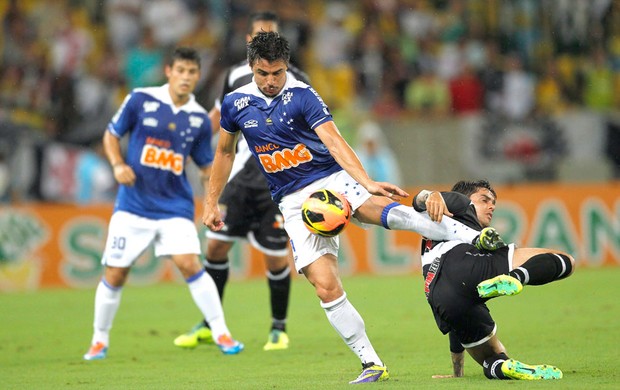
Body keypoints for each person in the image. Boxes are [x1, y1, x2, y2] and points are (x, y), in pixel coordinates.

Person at [203, 31, 503, 384]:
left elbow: (333, 139)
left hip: (329, 178)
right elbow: (224, 153)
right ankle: (371, 363)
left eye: (278, 73)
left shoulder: (302, 96)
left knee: (378, 210)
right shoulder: (236, 103)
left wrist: (365, 181)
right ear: (251, 68)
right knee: (325, 286)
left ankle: (477, 239)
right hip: (292, 200)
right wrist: (210, 202)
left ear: (287, 68)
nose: (271, 81)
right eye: (263, 74)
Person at [82, 47, 243, 361]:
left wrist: (214, 201)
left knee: (189, 264)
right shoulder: (141, 99)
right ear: (168, 71)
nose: (186, 77)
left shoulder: (198, 118)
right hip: (133, 206)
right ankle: (99, 340)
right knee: (115, 274)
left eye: (192, 72)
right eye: (180, 70)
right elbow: (111, 135)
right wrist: (117, 165)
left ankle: (221, 331)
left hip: (175, 207)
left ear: (197, 77)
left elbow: (205, 165)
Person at [173, 11, 309, 352]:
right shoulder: (235, 76)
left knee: (276, 257)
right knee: (216, 246)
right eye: (259, 34)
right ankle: (210, 323)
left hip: (278, 181)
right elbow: (219, 118)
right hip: (240, 177)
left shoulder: (298, 82)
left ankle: (278, 328)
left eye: (271, 35)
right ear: (250, 41)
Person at [412, 180, 575, 380]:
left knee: (494, 356)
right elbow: (422, 200)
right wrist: (430, 194)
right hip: (464, 262)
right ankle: (515, 278)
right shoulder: (460, 203)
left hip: (438, 293)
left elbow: (455, 324)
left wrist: (457, 373)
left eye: (493, 202)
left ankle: (501, 366)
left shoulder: (435, 233)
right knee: (566, 261)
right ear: (469, 199)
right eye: (485, 200)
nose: (492, 206)